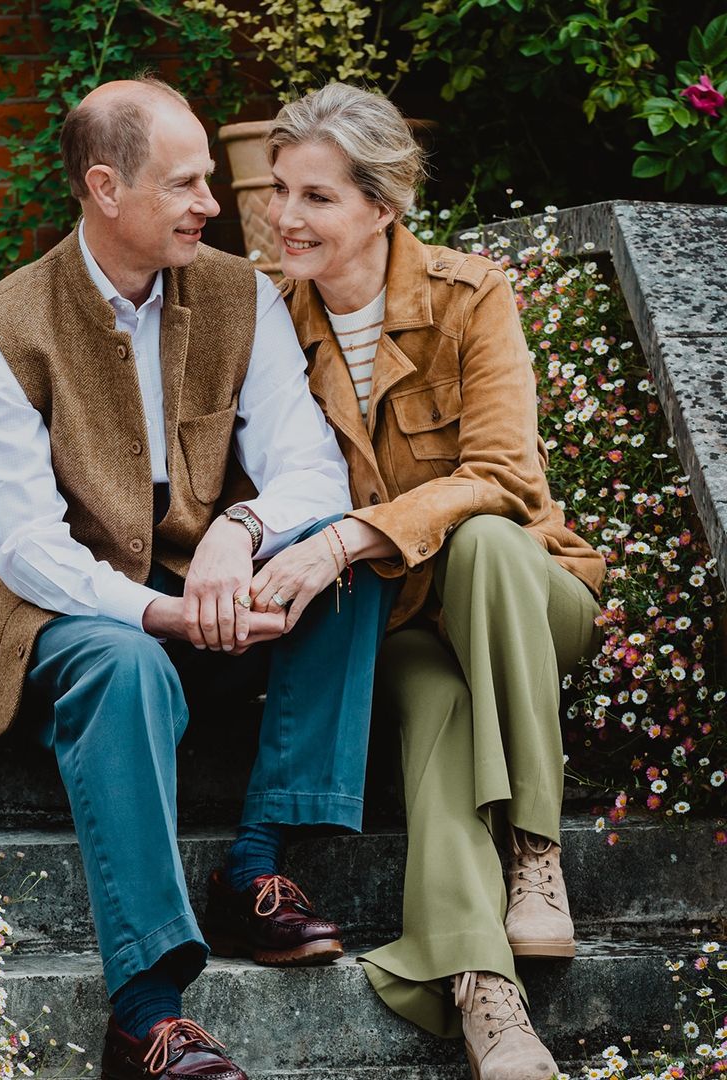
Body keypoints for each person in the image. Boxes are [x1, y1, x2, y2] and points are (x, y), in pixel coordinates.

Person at [0, 76, 394, 1080]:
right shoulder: (2, 327)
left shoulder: (240, 294)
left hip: (205, 590)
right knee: (127, 665)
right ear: (106, 188)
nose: (212, 203)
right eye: (185, 183)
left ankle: (255, 866)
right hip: (65, 619)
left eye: (207, 181)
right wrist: (160, 614)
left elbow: (312, 470)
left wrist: (242, 529)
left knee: (346, 557)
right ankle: (145, 1013)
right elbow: (28, 547)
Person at [249, 82, 604, 1080]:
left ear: (381, 206)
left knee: (484, 540)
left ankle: (536, 850)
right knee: (439, 711)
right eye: (279, 190)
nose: (285, 217)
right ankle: (489, 1000)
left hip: (529, 599)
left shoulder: (468, 294)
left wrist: (349, 538)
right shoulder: (268, 321)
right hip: (398, 622)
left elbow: (506, 477)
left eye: (317, 196)